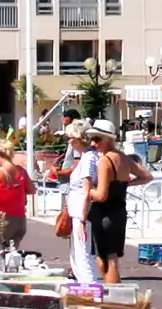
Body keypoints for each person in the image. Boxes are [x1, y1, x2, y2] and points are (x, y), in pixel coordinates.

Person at [88, 119, 151, 286]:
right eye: (92, 139)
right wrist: (126, 184)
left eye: (97, 139)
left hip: (103, 212)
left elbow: (101, 195)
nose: (93, 144)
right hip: (119, 211)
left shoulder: (104, 161)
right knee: (113, 256)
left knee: (103, 257)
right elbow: (147, 176)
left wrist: (87, 191)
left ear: (108, 139)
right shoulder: (124, 158)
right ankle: (115, 294)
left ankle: (112, 295)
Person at [63, 123, 101, 287]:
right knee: (77, 255)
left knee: (83, 255)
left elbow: (87, 190)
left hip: (82, 213)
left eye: (70, 139)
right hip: (78, 212)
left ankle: (90, 290)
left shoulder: (88, 159)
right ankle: (86, 289)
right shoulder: (87, 157)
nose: (69, 143)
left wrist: (83, 220)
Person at [0, 139, 32, 248]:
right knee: (13, 253)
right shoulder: (21, 171)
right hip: (19, 218)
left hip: (2, 217)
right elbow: (32, 190)